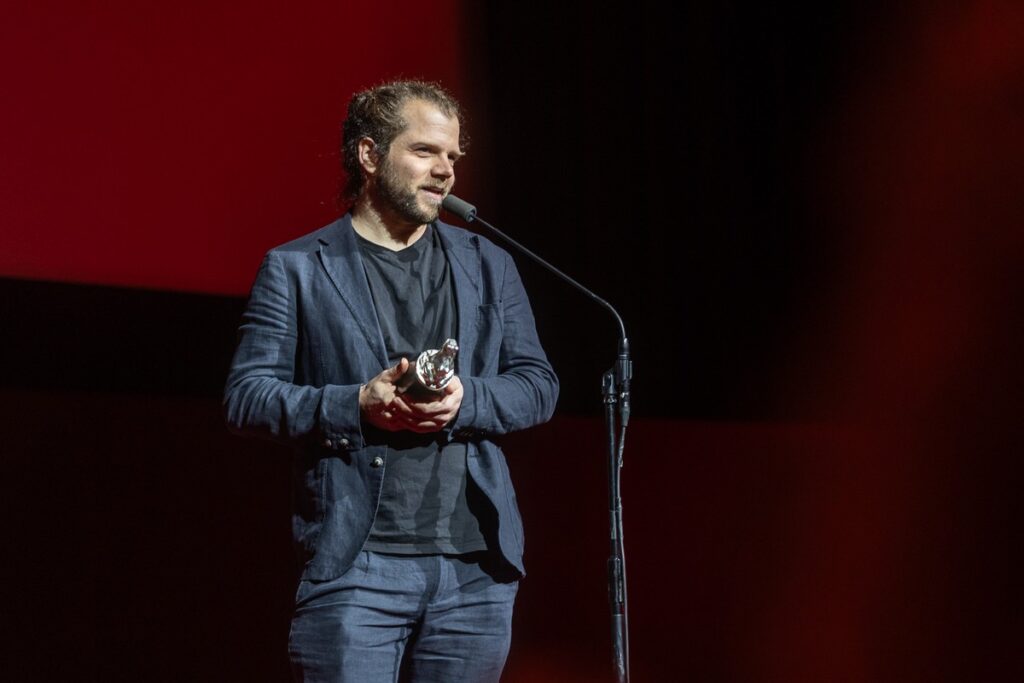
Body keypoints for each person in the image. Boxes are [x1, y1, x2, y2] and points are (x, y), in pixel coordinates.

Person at [224, 79, 559, 682]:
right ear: (370, 155)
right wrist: (356, 403)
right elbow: (248, 397)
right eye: (425, 152)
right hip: (359, 567)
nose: (446, 171)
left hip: (476, 570)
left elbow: (537, 383)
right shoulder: (297, 268)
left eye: (453, 157)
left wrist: (467, 399)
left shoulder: (489, 264)